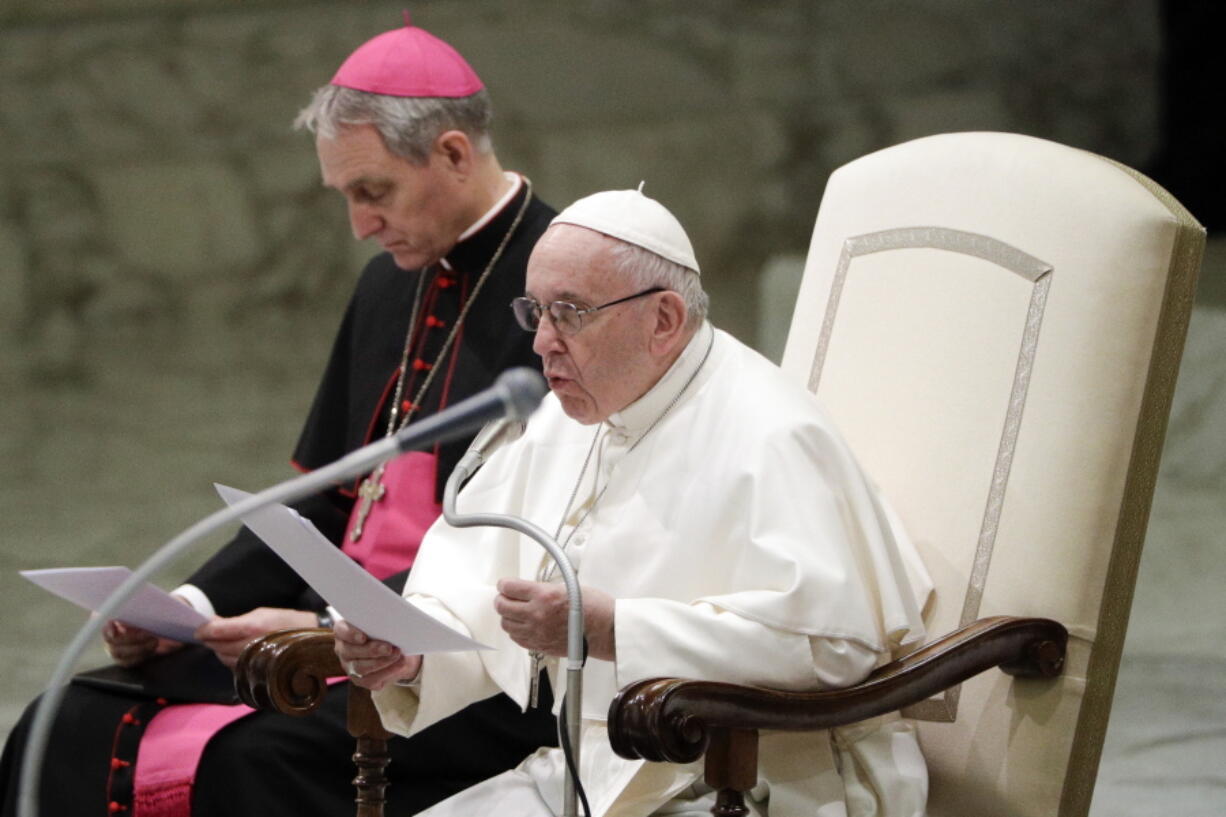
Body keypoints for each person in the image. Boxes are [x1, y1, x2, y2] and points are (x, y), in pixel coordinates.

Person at [0, 20, 559, 817]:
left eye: (374, 192)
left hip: (455, 665)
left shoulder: (561, 292)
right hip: (323, 634)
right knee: (62, 721)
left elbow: (532, 544)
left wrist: (322, 626)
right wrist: (188, 611)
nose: (360, 225)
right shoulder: (384, 288)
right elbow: (323, 497)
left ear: (454, 154)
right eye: (347, 197)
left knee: (248, 762)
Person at [336, 188, 934, 816]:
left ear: (665, 320)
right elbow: (479, 589)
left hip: (758, 779)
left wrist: (614, 629)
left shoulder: (773, 431)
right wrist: (410, 651)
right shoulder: (566, 417)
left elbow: (834, 646)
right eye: (535, 311)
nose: (541, 342)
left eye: (568, 312)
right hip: (590, 771)